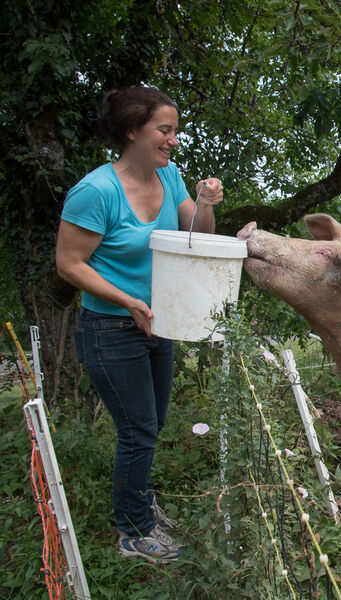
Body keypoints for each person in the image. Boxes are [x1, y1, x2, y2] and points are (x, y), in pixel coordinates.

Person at [55, 86, 223, 563]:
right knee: (138, 430)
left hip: (156, 322)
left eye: (175, 130)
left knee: (151, 425)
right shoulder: (97, 192)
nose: (174, 139)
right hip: (109, 329)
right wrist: (127, 299)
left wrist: (205, 202)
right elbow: (69, 263)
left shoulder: (169, 178)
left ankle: (140, 504)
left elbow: (197, 236)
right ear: (132, 131)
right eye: (164, 130)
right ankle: (133, 532)